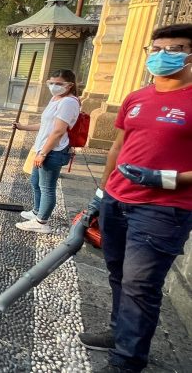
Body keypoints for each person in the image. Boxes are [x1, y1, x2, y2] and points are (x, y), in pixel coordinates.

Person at [78, 24, 192, 373]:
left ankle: (127, 361)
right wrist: (101, 192)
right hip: (117, 199)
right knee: (116, 272)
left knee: (139, 284)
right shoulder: (137, 97)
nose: (162, 56)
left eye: (173, 48)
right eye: (155, 49)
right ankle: (118, 331)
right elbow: (118, 147)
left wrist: (167, 178)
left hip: (163, 209)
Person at [12, 69, 81, 233]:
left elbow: (58, 131)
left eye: (59, 84)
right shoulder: (56, 99)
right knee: (35, 182)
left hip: (53, 150)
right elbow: (46, 124)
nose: (54, 86)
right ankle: (37, 211)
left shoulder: (69, 102)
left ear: (70, 85)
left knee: (47, 187)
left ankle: (42, 222)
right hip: (42, 147)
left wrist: (43, 153)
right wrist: (23, 127)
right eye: (51, 83)